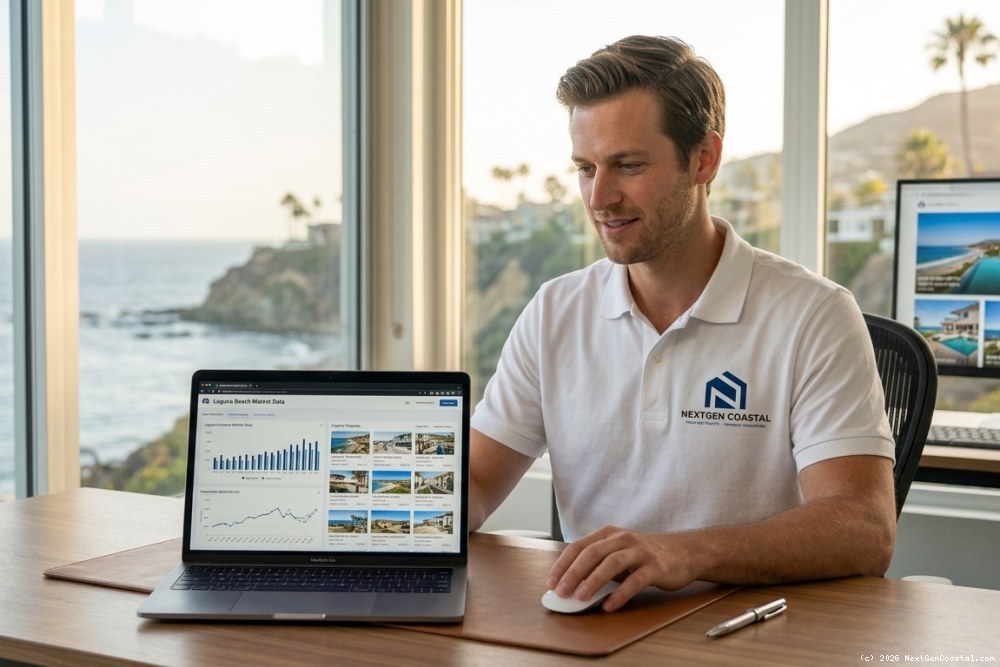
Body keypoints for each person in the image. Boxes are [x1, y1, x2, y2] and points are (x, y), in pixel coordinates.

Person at [467, 35, 897, 613]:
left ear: (704, 159)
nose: (600, 197)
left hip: (750, 632)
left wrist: (684, 553)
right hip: (597, 629)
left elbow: (864, 528)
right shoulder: (555, 310)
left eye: (629, 165)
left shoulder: (812, 314)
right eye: (585, 168)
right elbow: (472, 485)